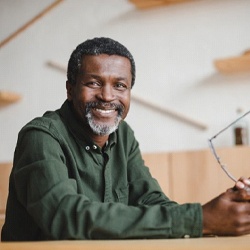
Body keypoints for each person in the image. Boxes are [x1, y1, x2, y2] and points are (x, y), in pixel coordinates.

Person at [1, 37, 250, 241]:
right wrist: (199, 219)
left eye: (120, 85)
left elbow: (151, 200)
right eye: (94, 83)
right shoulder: (41, 137)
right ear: (70, 88)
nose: (107, 96)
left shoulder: (123, 134)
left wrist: (222, 211)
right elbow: (66, 217)